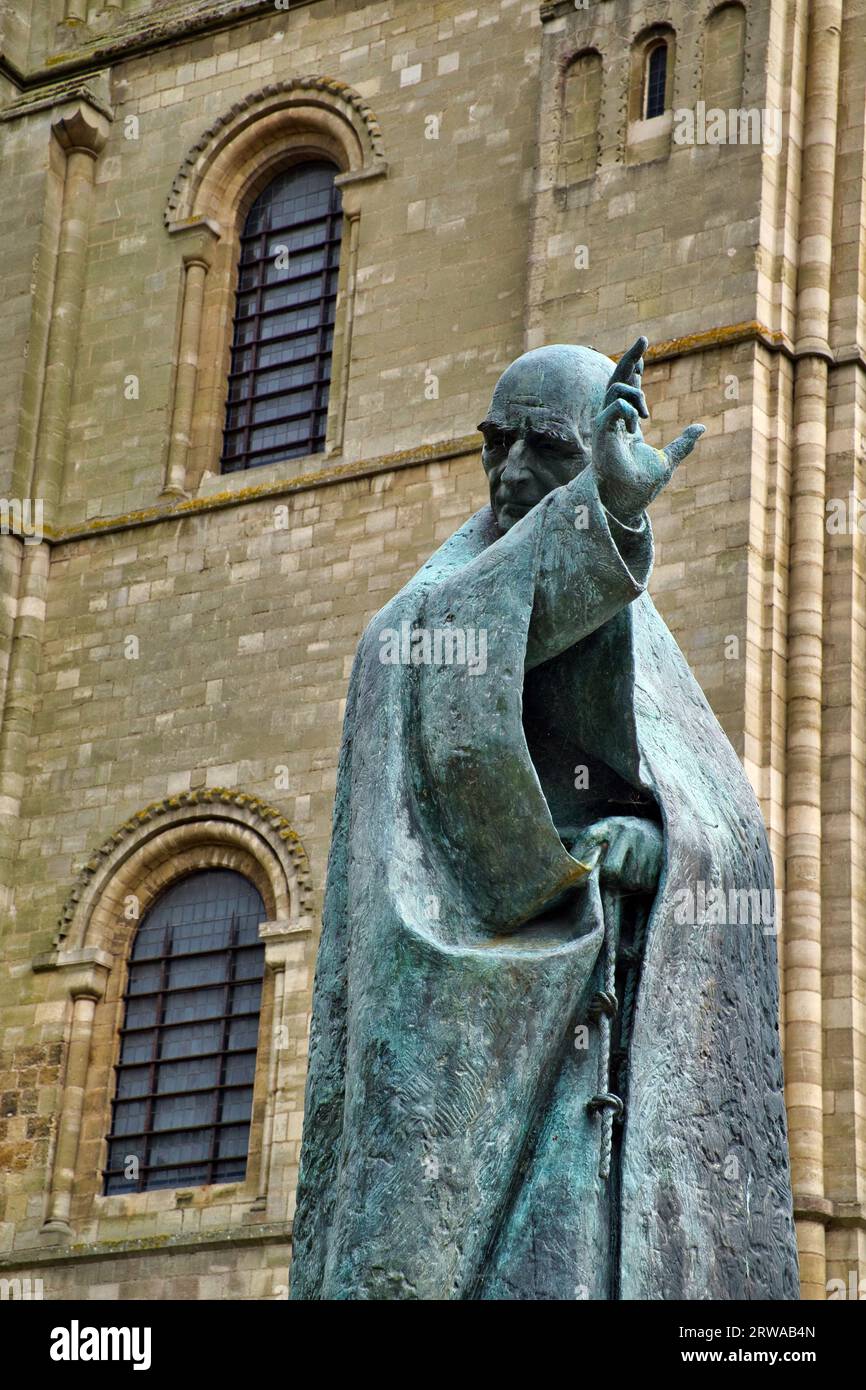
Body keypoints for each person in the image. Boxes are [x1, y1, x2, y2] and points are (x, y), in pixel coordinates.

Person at [291, 338, 799, 1300]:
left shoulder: (645, 644)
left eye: (548, 449)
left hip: (614, 1060)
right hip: (477, 1049)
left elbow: (726, 828)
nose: (514, 468)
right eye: (498, 442)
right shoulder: (422, 617)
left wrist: (662, 849)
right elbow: (447, 660)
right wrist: (597, 515)